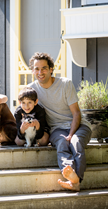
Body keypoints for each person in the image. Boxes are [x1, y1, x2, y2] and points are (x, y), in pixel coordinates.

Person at [28, 52, 92, 191]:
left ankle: (76, 180)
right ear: (33, 70)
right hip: (56, 129)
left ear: (51, 69)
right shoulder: (31, 89)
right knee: (62, 143)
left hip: (79, 125)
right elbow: (23, 108)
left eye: (44, 68)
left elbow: (76, 113)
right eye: (37, 69)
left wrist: (71, 133)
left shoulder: (65, 84)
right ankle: (72, 178)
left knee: (75, 141)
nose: (40, 72)